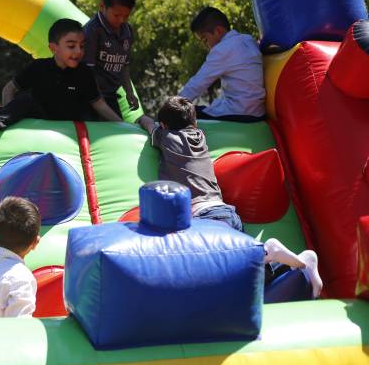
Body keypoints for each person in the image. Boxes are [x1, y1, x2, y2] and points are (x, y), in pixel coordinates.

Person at [138, 96, 322, 298]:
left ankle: (267, 251)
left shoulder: (168, 138)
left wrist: (141, 119)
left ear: (164, 125)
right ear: (195, 123)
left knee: (210, 267)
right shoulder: (199, 136)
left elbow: (149, 126)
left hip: (204, 216)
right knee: (240, 273)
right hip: (225, 213)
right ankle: (294, 263)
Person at [0, 19, 123, 143]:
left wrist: (123, 126)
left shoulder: (84, 73)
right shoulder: (38, 68)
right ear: (53, 48)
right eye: (71, 46)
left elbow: (99, 104)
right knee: (25, 99)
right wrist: (7, 118)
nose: (78, 51)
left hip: (71, 124)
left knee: (94, 106)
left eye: (82, 46)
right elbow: (8, 90)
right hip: (43, 118)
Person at [178, 7, 266, 122]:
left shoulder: (222, 50)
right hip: (258, 112)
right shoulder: (249, 40)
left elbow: (197, 84)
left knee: (182, 114)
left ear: (218, 31)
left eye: (205, 40)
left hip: (239, 113)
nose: (206, 46)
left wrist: (173, 105)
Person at [82, 0, 139, 118]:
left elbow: (124, 65)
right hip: (88, 98)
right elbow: (87, 72)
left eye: (126, 16)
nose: (121, 20)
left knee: (118, 133)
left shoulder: (127, 32)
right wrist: (99, 103)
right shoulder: (92, 31)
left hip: (111, 96)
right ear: (102, 6)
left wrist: (129, 92)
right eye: (116, 15)